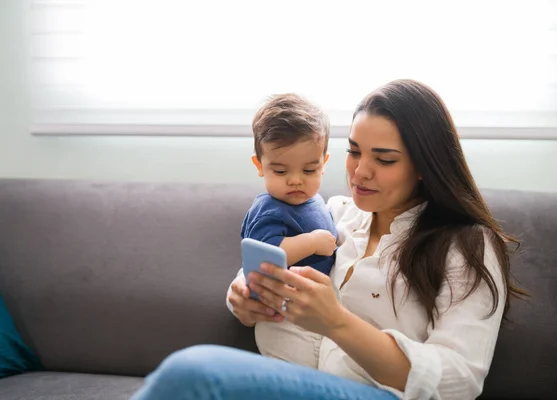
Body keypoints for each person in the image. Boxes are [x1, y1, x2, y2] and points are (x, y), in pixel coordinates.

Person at [130, 79, 525, 400]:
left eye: (384, 159)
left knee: (195, 372)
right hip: (298, 379)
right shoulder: (333, 214)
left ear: (425, 166)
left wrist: (337, 323)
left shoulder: (469, 246)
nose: (360, 172)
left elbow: (459, 382)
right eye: (354, 152)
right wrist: (244, 298)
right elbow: (268, 266)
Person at [240, 93, 338, 367]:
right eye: (281, 172)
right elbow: (265, 255)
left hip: (312, 309)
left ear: (324, 163)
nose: (296, 181)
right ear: (260, 166)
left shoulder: (316, 200)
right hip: (281, 317)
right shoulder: (269, 208)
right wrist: (312, 242)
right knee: (297, 374)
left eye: (309, 170)